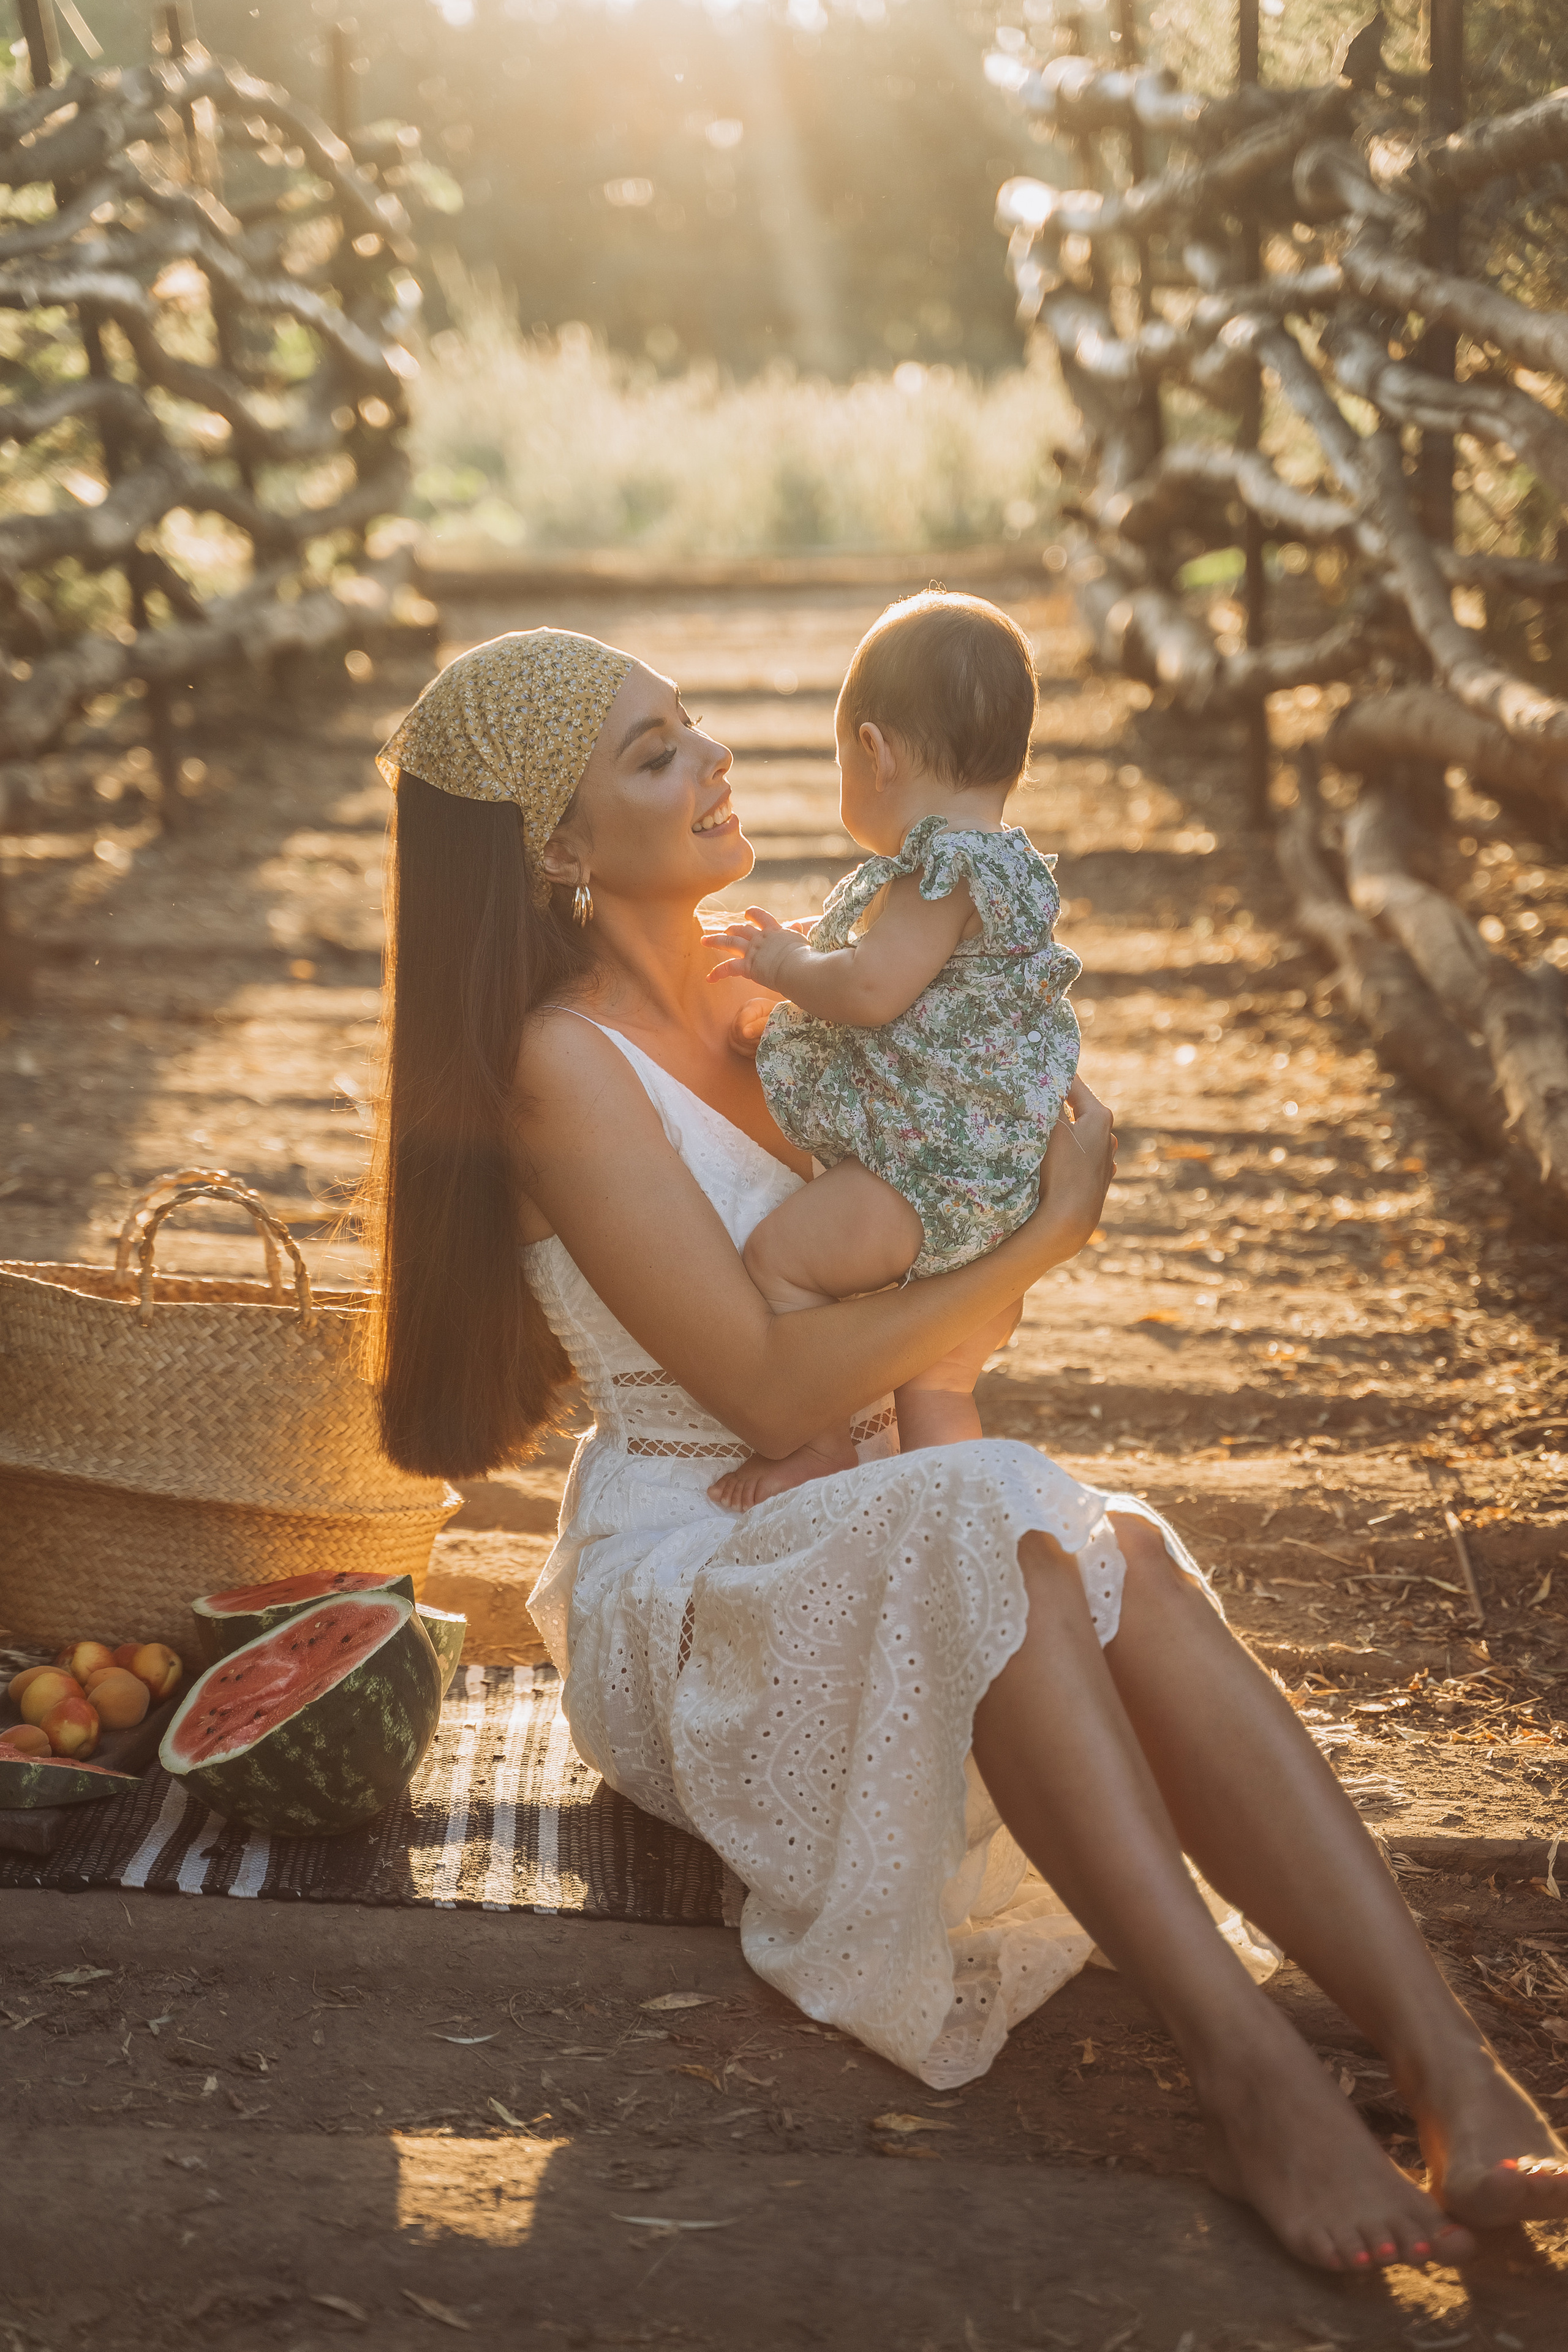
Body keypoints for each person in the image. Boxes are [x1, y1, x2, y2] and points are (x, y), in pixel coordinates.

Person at [367, 625, 1567, 2274]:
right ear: (557, 850)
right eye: (656, 753)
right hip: (697, 1566)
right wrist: (1048, 1241)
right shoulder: (557, 1066)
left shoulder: (793, 983)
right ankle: (1250, 2071)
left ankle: (1451, 2063)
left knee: (1108, 1545)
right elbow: (768, 1393)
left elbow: (933, 1247)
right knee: (996, 1521)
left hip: (872, 1497)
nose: (716, 758)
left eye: (695, 723)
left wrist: (980, 1247)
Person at [704, 591, 1083, 1509]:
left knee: (779, 1262)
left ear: (875, 752)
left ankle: (816, 1444)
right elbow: (920, 982)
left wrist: (785, 965)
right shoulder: (1013, 868)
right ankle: (964, 1523)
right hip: (1002, 1189)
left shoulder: (939, 869)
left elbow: (872, 990)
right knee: (939, 1382)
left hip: (924, 1179)